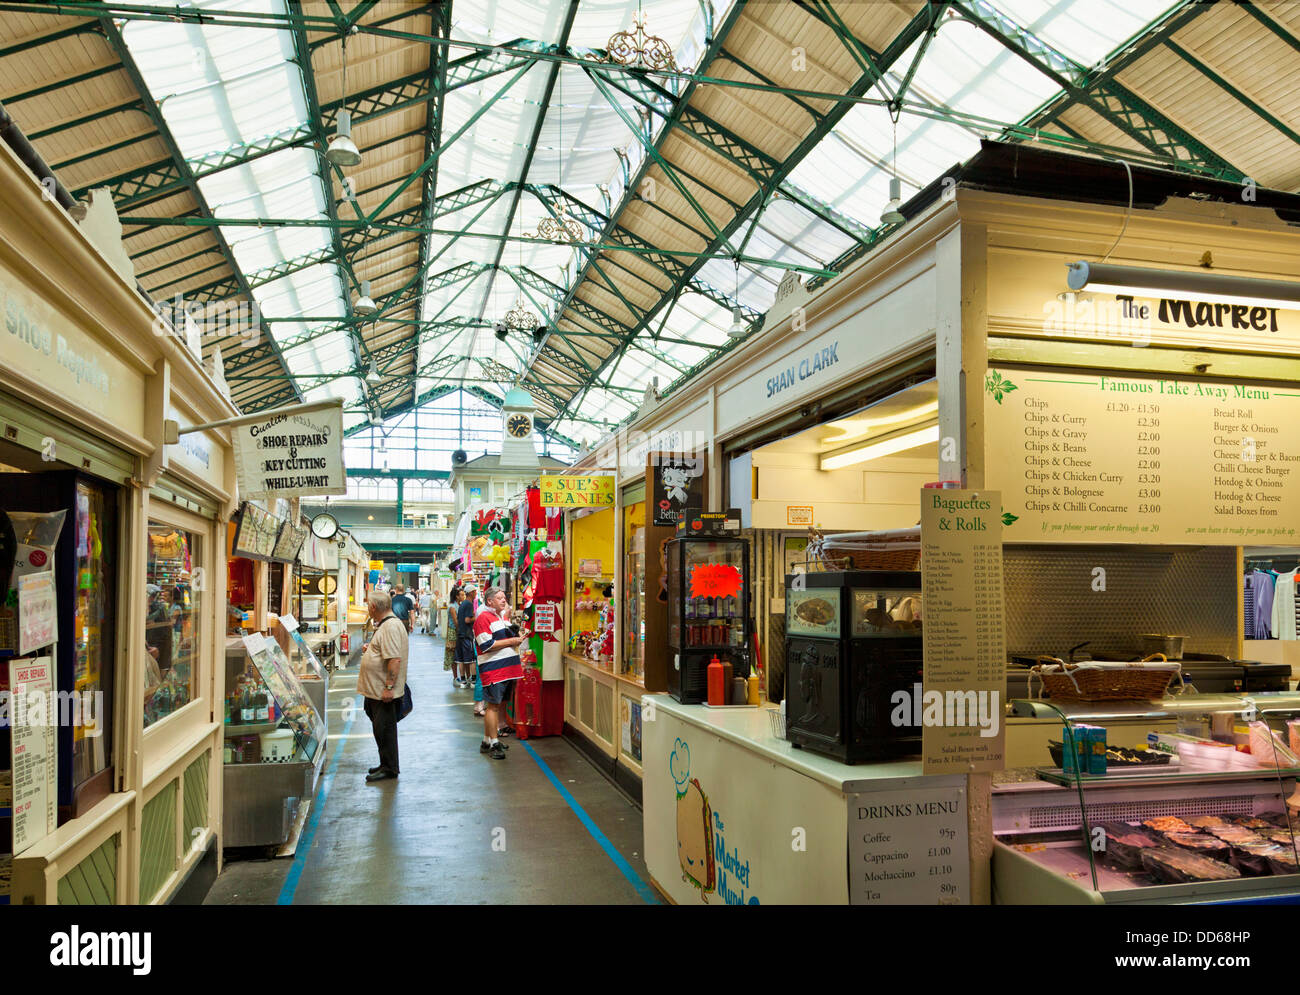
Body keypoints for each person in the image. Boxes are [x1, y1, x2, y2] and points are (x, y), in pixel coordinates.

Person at [357, 589, 409, 783]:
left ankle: (389, 768)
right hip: (376, 691)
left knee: (385, 730)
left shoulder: (390, 627)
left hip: (383, 692)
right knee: (381, 729)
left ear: (372, 607)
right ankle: (384, 763)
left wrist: (389, 687)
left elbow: (394, 659)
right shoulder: (386, 625)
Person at [472, 586, 523, 760]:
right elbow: (486, 645)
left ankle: (487, 741)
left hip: (506, 670)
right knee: (492, 707)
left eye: (504, 597)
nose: (504, 600)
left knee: (497, 706)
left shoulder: (500, 618)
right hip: (494, 671)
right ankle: (494, 743)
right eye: (500, 598)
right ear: (489, 601)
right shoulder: (483, 619)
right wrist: (513, 640)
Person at [456, 583, 478, 698]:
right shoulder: (469, 604)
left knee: (460, 660)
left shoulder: (463, 604)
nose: (476, 593)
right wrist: (477, 616)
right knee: (471, 660)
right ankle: (474, 681)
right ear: (470, 593)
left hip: (460, 634)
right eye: (474, 591)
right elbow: (467, 620)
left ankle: (463, 681)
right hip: (467, 635)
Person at [443, 586, 461, 684]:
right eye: (461, 595)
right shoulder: (452, 607)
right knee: (454, 655)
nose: (463, 596)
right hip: (453, 632)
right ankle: (455, 677)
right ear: (457, 596)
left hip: (454, 631)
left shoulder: (456, 605)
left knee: (456, 654)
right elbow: (455, 621)